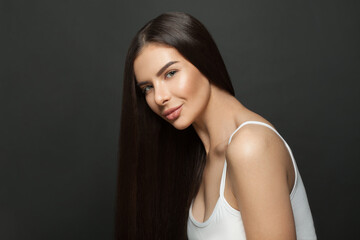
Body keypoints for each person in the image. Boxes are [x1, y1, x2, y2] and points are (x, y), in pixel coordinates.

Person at [115, 11, 317, 240]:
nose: (159, 97)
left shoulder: (250, 146)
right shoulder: (201, 157)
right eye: (147, 88)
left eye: (170, 73)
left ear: (203, 60)